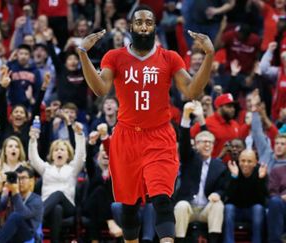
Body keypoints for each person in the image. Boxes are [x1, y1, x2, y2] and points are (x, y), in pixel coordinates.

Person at [77, 4, 214, 242]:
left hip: (159, 136)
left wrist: (209, 56)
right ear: (131, 26)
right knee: (129, 207)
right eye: (139, 22)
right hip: (127, 136)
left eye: (148, 23)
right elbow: (100, 89)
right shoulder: (115, 57)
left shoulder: (169, 58)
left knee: (162, 199)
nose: (143, 26)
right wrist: (82, 54)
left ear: (154, 27)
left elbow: (191, 90)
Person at [174, 102, 226, 243]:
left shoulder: (219, 165)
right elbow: (184, 141)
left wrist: (218, 194)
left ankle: (214, 240)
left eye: (210, 142)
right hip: (189, 207)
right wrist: (185, 116)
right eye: (203, 142)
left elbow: (223, 187)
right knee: (181, 206)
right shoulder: (189, 159)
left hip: (206, 209)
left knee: (218, 205)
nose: (207, 144)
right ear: (196, 145)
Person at [0, 166, 43, 243]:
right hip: (10, 234)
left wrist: (15, 192)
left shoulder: (36, 200)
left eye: (23, 178)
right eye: (18, 178)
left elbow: (23, 214)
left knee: (15, 216)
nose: (20, 181)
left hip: (28, 235)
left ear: (31, 181)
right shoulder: (10, 195)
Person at [223, 150, 268, 243]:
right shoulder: (232, 171)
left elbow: (262, 199)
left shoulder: (261, 172)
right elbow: (228, 196)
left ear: (255, 163)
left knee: (258, 208)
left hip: (252, 211)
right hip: (236, 210)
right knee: (228, 208)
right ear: (238, 161)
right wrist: (234, 177)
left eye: (249, 161)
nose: (245, 164)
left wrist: (260, 179)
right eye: (242, 161)